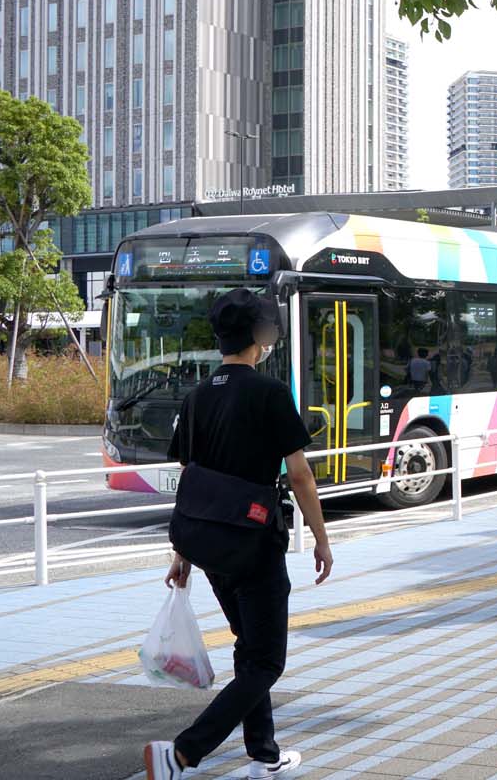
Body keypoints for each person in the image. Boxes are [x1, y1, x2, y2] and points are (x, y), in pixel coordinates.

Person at [145, 289, 333, 780]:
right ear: (260, 337)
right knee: (267, 661)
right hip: (255, 545)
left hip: (211, 550)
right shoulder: (269, 392)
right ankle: (183, 753)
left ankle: (264, 756)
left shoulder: (198, 395)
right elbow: (299, 474)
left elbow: (192, 477)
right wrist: (321, 537)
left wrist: (182, 553)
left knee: (250, 647)